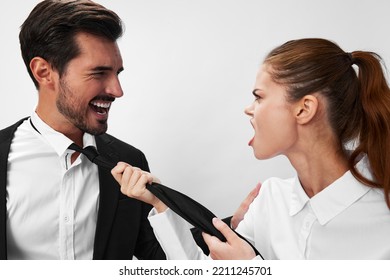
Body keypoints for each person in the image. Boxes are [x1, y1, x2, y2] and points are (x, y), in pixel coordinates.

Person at [112, 38, 390, 259]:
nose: (248, 109)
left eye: (259, 97)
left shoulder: (383, 212)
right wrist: (161, 204)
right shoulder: (270, 200)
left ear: (304, 109)